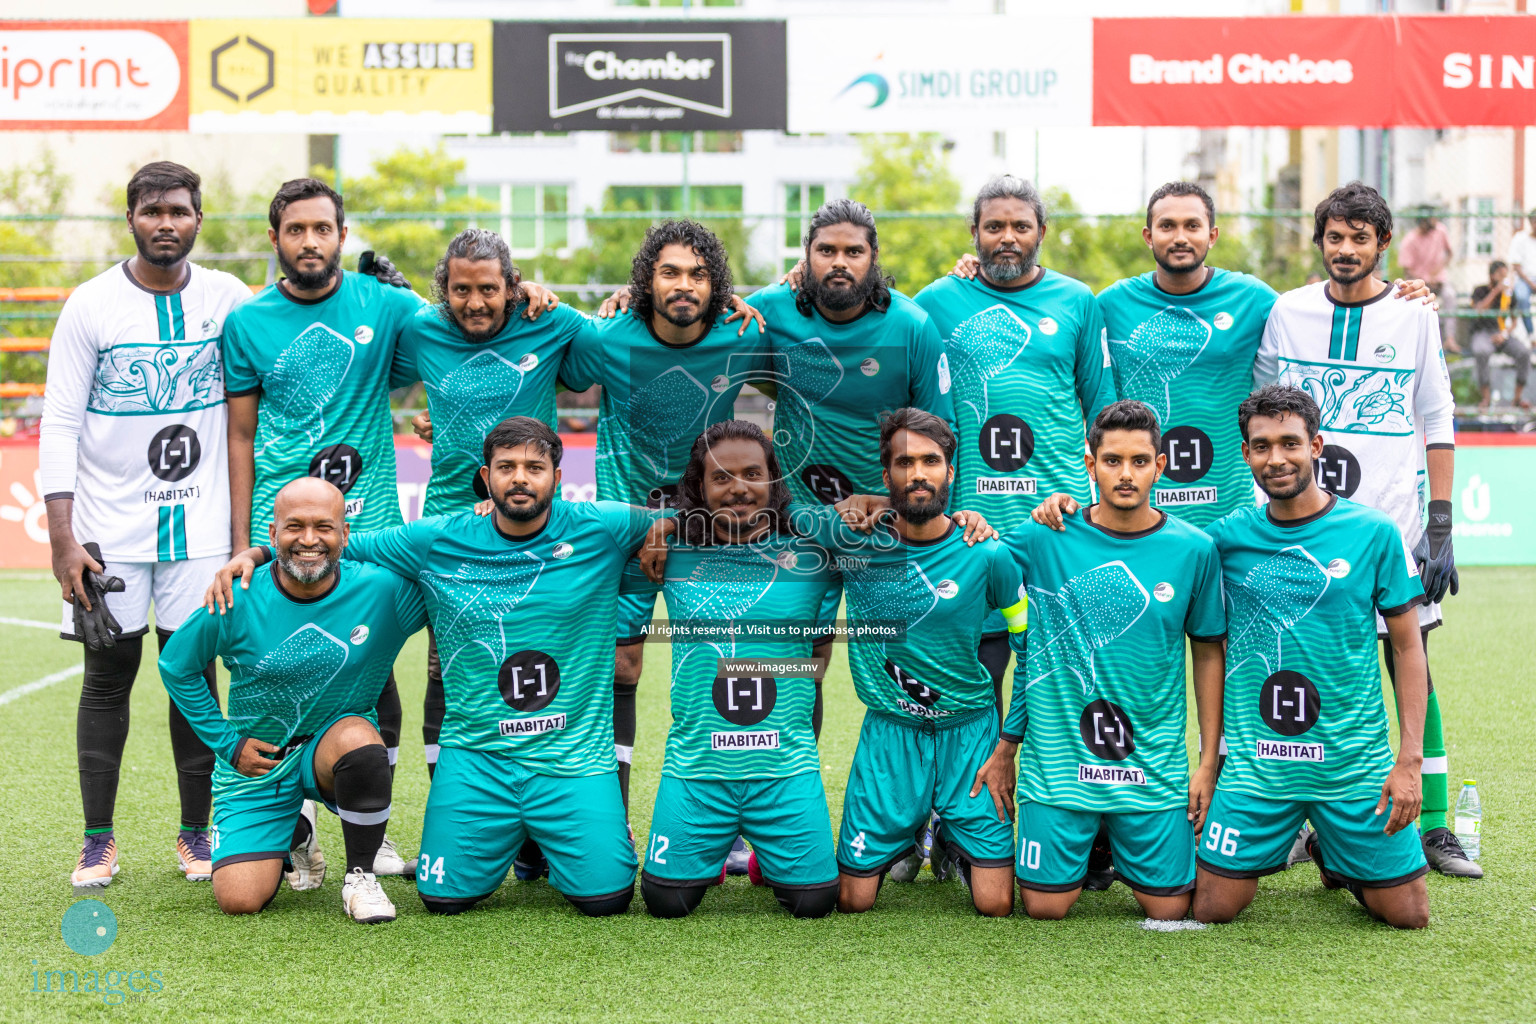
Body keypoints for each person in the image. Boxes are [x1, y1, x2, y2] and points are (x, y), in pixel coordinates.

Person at [208, 417, 673, 916]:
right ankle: (520, 835)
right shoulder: (436, 538)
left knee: (607, 899)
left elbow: (693, 518)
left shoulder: (601, 525)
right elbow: (337, 543)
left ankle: (549, 836)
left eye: (534, 467)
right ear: (486, 476)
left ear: (557, 478)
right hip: (478, 757)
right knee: (442, 899)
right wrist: (255, 553)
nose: (520, 478)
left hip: (571, 760)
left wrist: (661, 528)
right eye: (506, 467)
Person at [40, 161, 253, 887]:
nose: (167, 222)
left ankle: (197, 834)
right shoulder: (91, 305)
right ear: (130, 218)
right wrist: (63, 539)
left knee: (194, 673)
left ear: (200, 219)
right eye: (153, 210)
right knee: (108, 677)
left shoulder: (230, 297)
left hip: (203, 530)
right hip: (110, 532)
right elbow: (60, 423)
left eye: (181, 211)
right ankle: (98, 839)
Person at [1256, 181, 1478, 879]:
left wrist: (1439, 524)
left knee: (1411, 666)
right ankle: (1300, 820)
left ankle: (1436, 826)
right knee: (1297, 664)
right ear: (1318, 242)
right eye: (1334, 237)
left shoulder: (1413, 315)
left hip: (1389, 528)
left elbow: (1437, 419)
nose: (1345, 250)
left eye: (1360, 238)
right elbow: (1260, 406)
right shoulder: (1286, 311)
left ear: (1383, 244)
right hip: (1300, 528)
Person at [974, 400, 1225, 920]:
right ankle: (1089, 838)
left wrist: (1206, 762)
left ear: (1160, 466)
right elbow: (980, 553)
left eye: (1139, 461)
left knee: (1171, 909)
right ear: (1090, 464)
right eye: (1112, 460)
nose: (1126, 474)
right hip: (1060, 768)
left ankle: (1110, 838)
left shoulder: (1194, 549)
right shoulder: (1048, 534)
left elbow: (1207, 653)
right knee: (1044, 908)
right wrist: (968, 518)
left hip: (1151, 767)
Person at [558, 221, 771, 825]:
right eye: (669, 272)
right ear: (645, 281)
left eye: (699, 275)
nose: (684, 285)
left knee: (719, 660)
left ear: (718, 286)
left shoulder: (744, 334)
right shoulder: (607, 336)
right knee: (620, 666)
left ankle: (727, 819)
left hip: (710, 529)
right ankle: (608, 817)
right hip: (624, 530)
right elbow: (545, 362)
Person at [1194, 385, 1430, 929]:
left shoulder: (1372, 532)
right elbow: (1151, 543)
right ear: (1247, 452)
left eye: (1289, 443)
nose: (1275, 459)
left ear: (1316, 445)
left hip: (1353, 764)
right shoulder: (1225, 540)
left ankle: (1336, 849)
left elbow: (1406, 646)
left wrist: (1409, 761)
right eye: (1260, 446)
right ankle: (1322, 846)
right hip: (1258, 768)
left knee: (1408, 916)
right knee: (1213, 910)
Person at [792, 409, 1026, 917]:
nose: (917, 473)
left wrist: (1008, 745)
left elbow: (1027, 648)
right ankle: (906, 830)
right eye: (904, 463)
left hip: (971, 735)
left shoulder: (987, 553)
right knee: (853, 901)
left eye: (930, 461)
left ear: (951, 471)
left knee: (996, 904)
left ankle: (948, 832)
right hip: (891, 734)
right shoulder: (854, 543)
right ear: (886, 476)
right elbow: (778, 518)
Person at [169, 478, 424, 922]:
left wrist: (486, 519)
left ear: (346, 534)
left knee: (360, 739)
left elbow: (450, 573)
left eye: (324, 527)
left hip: (330, 750)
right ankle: (297, 830)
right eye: (294, 527)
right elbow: (177, 666)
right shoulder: (237, 596)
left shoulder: (383, 591)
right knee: (240, 900)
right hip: (259, 763)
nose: (308, 540)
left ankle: (361, 877)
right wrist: (227, 744)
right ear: (272, 535)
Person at [391, 228, 591, 785]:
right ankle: (450, 810)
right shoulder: (421, 329)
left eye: (487, 289)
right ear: (444, 291)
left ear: (512, 287)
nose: (474, 302)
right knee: (446, 665)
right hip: (452, 520)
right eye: (460, 290)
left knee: (537, 654)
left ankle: (544, 802)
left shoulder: (549, 321)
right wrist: (436, 424)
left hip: (532, 520)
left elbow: (613, 342)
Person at [634, 421, 840, 919]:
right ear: (699, 486)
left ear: (773, 479)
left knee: (815, 903)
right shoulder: (672, 549)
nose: (739, 487)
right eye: (721, 477)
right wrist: (664, 523)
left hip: (783, 766)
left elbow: (894, 518)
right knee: (666, 901)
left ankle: (767, 854)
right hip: (698, 766)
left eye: (753, 473)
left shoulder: (815, 550)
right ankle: (711, 847)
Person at [1095, 182, 1277, 528]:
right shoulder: (1111, 303)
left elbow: (1322, 312)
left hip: (1229, 510)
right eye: (1167, 226)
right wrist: (971, 272)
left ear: (1212, 235)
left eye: (1192, 226)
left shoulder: (1252, 298)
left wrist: (1400, 294)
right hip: (1138, 510)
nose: (1180, 237)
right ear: (1149, 236)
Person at [1467, 260, 1531, 410]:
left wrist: (1504, 334)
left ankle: (1517, 398)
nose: (1503, 278)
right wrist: (1496, 290)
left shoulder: (1509, 294)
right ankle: (1486, 398)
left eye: (1505, 275)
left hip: (1500, 332)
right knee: (1481, 351)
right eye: (1500, 275)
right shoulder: (1480, 290)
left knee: (1524, 353)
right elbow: (1479, 310)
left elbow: (1514, 320)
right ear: (1492, 275)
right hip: (1482, 331)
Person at [1397, 209, 1458, 353]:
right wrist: (1424, 280)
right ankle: (1419, 343)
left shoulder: (1440, 231)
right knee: (1419, 305)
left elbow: (1449, 253)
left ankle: (1450, 339)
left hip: (1439, 281)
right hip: (1419, 283)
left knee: (1450, 296)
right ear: (1421, 223)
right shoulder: (1410, 240)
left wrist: (1437, 271)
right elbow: (1407, 269)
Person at [1505, 208, 1536, 335]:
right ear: (1530, 222)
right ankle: (1532, 335)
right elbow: (1516, 266)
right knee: (1522, 296)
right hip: (1525, 279)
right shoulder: (1520, 238)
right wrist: (1532, 284)